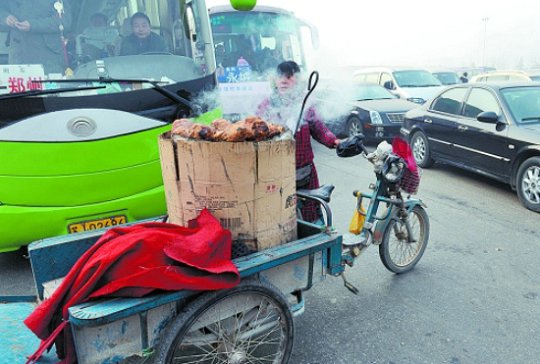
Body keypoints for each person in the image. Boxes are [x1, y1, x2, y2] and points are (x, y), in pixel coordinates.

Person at [256, 61, 341, 223]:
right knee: (279, 218)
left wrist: (335, 141)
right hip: (275, 173)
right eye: (280, 76)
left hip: (304, 173)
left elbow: (319, 129)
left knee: (311, 217)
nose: (283, 80)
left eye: (289, 77)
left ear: (297, 80)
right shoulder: (266, 106)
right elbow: (255, 131)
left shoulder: (305, 104)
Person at [0, 0, 73, 74]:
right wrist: (5, 17)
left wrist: (33, 25)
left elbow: (64, 21)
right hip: (19, 51)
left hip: (47, 54)